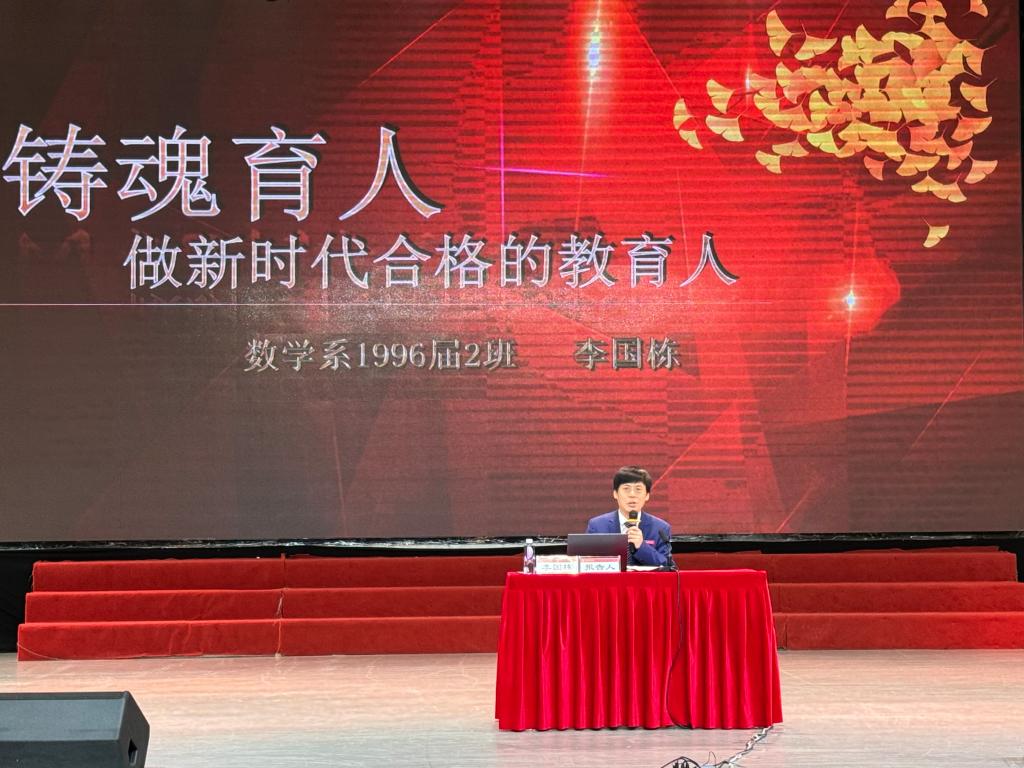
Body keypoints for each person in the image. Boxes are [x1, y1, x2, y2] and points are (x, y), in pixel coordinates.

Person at [586, 466, 673, 567]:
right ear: (615, 494)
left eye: (638, 489)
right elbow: (587, 563)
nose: (632, 495)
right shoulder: (597, 526)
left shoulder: (660, 528)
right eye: (626, 489)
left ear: (647, 495)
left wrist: (642, 546)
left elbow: (668, 566)